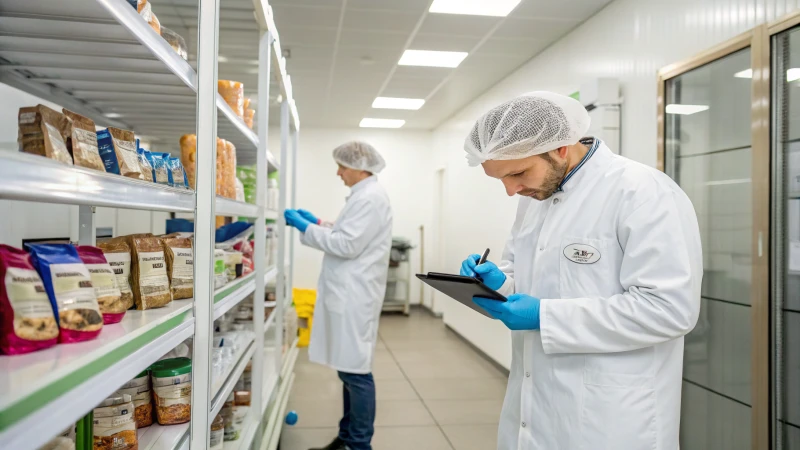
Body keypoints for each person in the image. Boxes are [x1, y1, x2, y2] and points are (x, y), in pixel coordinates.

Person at [458, 92, 702, 450]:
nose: (512, 191)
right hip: (534, 400)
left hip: (611, 417)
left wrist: (545, 315)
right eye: (501, 180)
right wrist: (500, 282)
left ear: (560, 149)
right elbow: (528, 279)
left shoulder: (642, 192)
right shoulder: (535, 198)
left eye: (518, 174)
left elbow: (669, 310)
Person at [284, 141, 393, 450]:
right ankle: (347, 439)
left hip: (356, 296)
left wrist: (305, 227)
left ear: (360, 167)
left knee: (356, 373)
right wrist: (318, 223)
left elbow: (347, 245)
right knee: (348, 371)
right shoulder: (364, 196)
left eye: (342, 167)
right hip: (349, 293)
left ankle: (359, 445)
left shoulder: (371, 198)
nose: (338, 172)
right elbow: (348, 232)